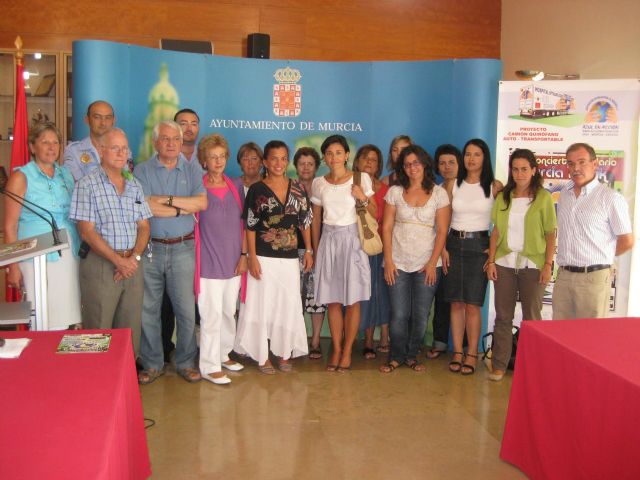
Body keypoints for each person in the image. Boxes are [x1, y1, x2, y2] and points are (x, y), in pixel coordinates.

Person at [134, 120, 207, 385]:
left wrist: (165, 202)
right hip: (150, 248)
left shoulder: (193, 169)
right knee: (148, 310)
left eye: (175, 139)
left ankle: (186, 362)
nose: (171, 143)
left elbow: (201, 203)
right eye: (165, 139)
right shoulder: (141, 171)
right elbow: (144, 206)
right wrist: (181, 207)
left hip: (183, 248)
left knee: (186, 310)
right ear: (155, 143)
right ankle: (152, 363)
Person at [69, 128, 152, 355]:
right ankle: (95, 387)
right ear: (102, 150)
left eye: (124, 148)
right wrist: (118, 260)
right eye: (115, 147)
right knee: (98, 331)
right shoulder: (87, 184)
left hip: (132, 265)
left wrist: (133, 258)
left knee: (129, 331)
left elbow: (144, 226)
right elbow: (86, 231)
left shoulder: (134, 184)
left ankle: (124, 386)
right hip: (101, 265)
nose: (120, 153)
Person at [235, 140, 313, 373]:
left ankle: (284, 353)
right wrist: (251, 257)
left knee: (287, 305)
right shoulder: (258, 190)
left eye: (283, 158)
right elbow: (250, 226)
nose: (279, 163)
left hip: (289, 259)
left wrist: (308, 250)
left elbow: (305, 222)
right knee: (261, 306)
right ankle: (262, 357)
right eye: (274, 159)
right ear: (266, 162)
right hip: (263, 257)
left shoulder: (297, 188)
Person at [484, 149, 556, 381]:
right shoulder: (503, 196)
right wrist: (492, 260)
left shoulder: (543, 197)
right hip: (504, 263)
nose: (519, 173)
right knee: (503, 317)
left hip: (532, 264)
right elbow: (495, 232)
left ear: (534, 170)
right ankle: (499, 365)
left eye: (524, 168)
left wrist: (547, 264)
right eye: (515, 169)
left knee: (532, 318)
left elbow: (550, 234)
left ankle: (533, 367)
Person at [4, 122, 82, 329]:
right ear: (32, 147)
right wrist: (13, 266)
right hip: (36, 258)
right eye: (45, 142)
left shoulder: (65, 174)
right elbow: (10, 226)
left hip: (68, 251)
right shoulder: (21, 177)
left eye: (55, 142)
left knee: (68, 316)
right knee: (44, 318)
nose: (51, 147)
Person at [381, 145, 450, 373]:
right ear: (403, 167)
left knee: (420, 314)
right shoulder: (394, 192)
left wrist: (432, 263)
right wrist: (388, 261)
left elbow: (441, 231)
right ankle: (396, 356)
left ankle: (412, 356)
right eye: (408, 164)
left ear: (425, 164)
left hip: (428, 264)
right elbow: (387, 226)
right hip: (397, 262)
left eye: (416, 163)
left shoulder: (439, 193)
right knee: (399, 314)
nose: (412, 168)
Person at [311, 135, 375, 372]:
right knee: (333, 300)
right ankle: (336, 349)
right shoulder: (319, 183)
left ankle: (348, 350)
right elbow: (316, 218)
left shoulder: (361, 179)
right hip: (328, 240)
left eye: (339, 152)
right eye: (329, 153)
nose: (334, 157)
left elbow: (375, 209)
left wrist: (362, 198)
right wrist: (316, 250)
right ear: (324, 157)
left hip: (353, 241)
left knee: (353, 300)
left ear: (347, 155)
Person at [552, 142, 633, 320]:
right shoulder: (565, 194)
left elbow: (627, 240)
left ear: (595, 164)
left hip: (593, 278)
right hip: (564, 276)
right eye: (571, 164)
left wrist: (602, 259)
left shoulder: (610, 198)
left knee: (590, 337)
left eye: (582, 162)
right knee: (560, 335)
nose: (576, 168)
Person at [443, 138, 502, 375]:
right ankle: (457, 351)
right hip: (454, 244)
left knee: (473, 305)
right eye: (467, 154)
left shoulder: (494, 186)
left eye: (476, 154)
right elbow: (444, 219)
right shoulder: (453, 184)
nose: (471, 159)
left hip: (479, 246)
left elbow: (501, 223)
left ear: (484, 158)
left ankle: (472, 353)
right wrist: (443, 248)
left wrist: (493, 250)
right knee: (456, 302)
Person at [195, 133, 246, 385]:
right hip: (208, 262)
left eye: (221, 156)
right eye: (212, 157)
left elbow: (246, 224)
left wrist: (245, 255)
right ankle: (209, 365)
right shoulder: (197, 186)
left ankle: (223, 353)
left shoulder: (235, 186)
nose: (218, 161)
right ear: (203, 161)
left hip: (234, 261)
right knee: (211, 315)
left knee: (228, 311)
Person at [161, 108, 203, 364]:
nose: (188, 128)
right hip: (172, 239)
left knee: (194, 302)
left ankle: (196, 352)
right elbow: (150, 204)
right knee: (166, 300)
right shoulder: (160, 160)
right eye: (182, 124)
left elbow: (204, 202)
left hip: (202, 240)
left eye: (193, 124)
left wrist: (186, 204)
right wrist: (186, 205)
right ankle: (164, 349)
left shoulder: (206, 158)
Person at [352, 144, 390, 359]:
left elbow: (385, 220)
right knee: (357, 293)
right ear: (356, 161)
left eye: (373, 159)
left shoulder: (384, 190)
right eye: (365, 158)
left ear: (379, 165)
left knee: (376, 291)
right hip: (352, 244)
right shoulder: (349, 182)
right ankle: (357, 338)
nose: (368, 162)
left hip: (375, 245)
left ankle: (372, 338)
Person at [427, 144, 463, 359]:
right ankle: (439, 341)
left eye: (451, 162)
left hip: (462, 247)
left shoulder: (469, 188)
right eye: (442, 163)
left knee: (463, 300)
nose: (447, 167)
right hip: (440, 248)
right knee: (441, 297)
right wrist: (441, 249)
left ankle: (466, 346)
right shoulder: (436, 190)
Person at [293, 146, 327, 360]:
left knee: (317, 297)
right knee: (294, 297)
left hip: (319, 249)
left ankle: (315, 340)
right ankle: (293, 340)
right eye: (301, 163)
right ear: (295, 166)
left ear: (316, 167)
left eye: (310, 164)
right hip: (291, 251)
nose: (306, 167)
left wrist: (315, 250)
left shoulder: (322, 188)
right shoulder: (288, 187)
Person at [64, 100, 118, 181]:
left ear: (113, 121)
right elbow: (75, 185)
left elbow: (126, 182)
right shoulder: (73, 151)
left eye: (108, 117)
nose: (103, 123)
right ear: (87, 120)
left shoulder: (122, 150)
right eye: (97, 117)